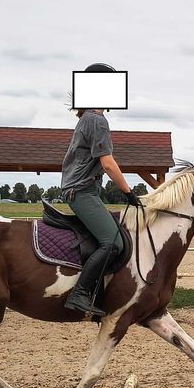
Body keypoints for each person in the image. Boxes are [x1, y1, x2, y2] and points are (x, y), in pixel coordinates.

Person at [60, 63, 140, 317]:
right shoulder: (97, 121)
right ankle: (80, 293)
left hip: (84, 190)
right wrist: (128, 192)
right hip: (81, 191)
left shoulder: (87, 118)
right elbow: (108, 163)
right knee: (113, 242)